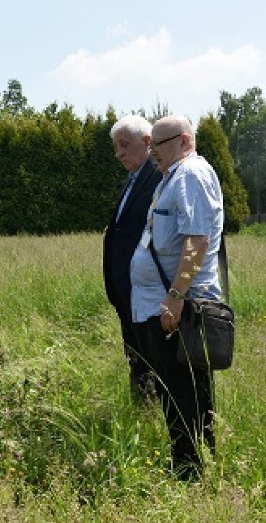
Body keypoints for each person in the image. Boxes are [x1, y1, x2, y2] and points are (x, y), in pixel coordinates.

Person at [128, 114, 224, 479]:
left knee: (183, 390)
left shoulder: (190, 175)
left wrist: (174, 296)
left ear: (184, 140)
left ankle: (190, 470)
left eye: (158, 143)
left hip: (178, 306)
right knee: (176, 388)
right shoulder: (173, 177)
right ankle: (190, 463)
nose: (151, 151)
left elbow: (197, 241)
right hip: (165, 302)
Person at [103, 115, 163, 400]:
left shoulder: (158, 176)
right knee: (136, 353)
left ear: (148, 142)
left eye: (125, 145)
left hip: (148, 289)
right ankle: (143, 409)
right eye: (116, 147)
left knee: (154, 355)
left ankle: (153, 409)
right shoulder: (133, 179)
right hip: (128, 288)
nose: (119, 153)